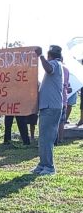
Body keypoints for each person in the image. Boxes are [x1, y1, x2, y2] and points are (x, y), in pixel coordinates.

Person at [31, 45, 64, 176]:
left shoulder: (54, 64)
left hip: (51, 107)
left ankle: (49, 167)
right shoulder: (57, 64)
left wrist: (40, 56)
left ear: (50, 56)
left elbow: (49, 69)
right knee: (43, 138)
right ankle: (43, 164)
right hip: (48, 106)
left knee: (47, 138)